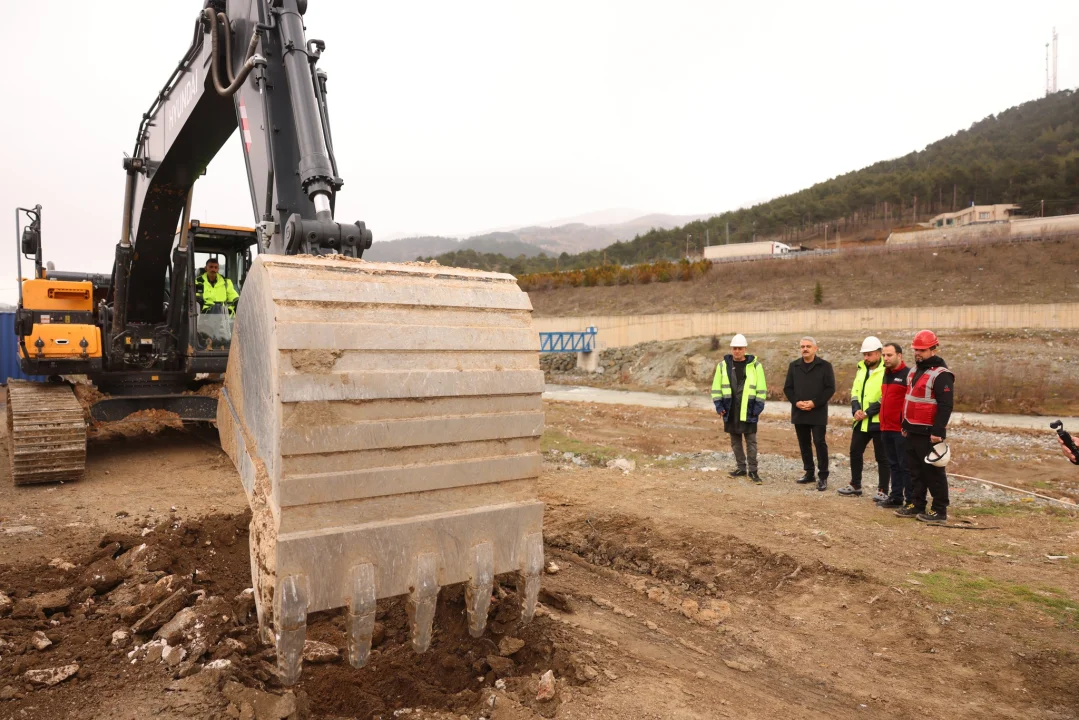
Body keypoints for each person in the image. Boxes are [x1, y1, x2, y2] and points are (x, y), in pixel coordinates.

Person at [896, 330, 954, 524]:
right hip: (912, 429)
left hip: (929, 432)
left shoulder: (942, 375)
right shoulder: (914, 371)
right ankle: (917, 504)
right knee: (915, 471)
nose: (917, 353)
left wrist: (938, 431)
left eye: (922, 350)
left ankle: (939, 510)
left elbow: (946, 406)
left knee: (934, 473)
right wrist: (904, 424)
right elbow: (908, 399)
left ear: (933, 349)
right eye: (916, 349)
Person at [711, 334, 767, 484]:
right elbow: (716, 388)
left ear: (745, 349)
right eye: (735, 348)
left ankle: (753, 471)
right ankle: (741, 468)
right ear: (731, 349)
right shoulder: (723, 366)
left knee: (751, 442)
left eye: (740, 348)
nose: (737, 351)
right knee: (735, 442)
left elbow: (761, 388)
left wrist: (758, 408)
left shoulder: (755, 366)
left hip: (749, 409)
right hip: (730, 410)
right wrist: (719, 406)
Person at [838, 337, 889, 499]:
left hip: (878, 421)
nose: (866, 357)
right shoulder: (861, 369)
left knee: (882, 457)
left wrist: (867, 412)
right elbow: (855, 392)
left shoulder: (887, 370)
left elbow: (885, 397)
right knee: (855, 452)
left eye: (869, 354)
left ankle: (883, 490)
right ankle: (855, 485)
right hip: (860, 421)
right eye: (864, 354)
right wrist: (856, 410)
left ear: (879, 353)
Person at [784, 336, 835, 491]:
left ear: (815, 348)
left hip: (818, 412)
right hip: (799, 411)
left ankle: (823, 476)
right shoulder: (794, 366)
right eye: (802, 346)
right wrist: (796, 402)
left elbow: (830, 388)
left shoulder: (825, 366)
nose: (805, 349)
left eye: (808, 346)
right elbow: (788, 388)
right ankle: (809, 473)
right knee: (804, 443)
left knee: (819, 443)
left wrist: (814, 403)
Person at [877, 342, 912, 509]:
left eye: (889, 355)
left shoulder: (908, 374)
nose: (885, 358)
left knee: (906, 466)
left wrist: (906, 424)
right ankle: (896, 497)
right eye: (884, 355)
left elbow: (910, 403)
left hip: (900, 429)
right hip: (885, 427)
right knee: (893, 464)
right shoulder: (886, 374)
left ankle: (911, 500)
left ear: (899, 355)